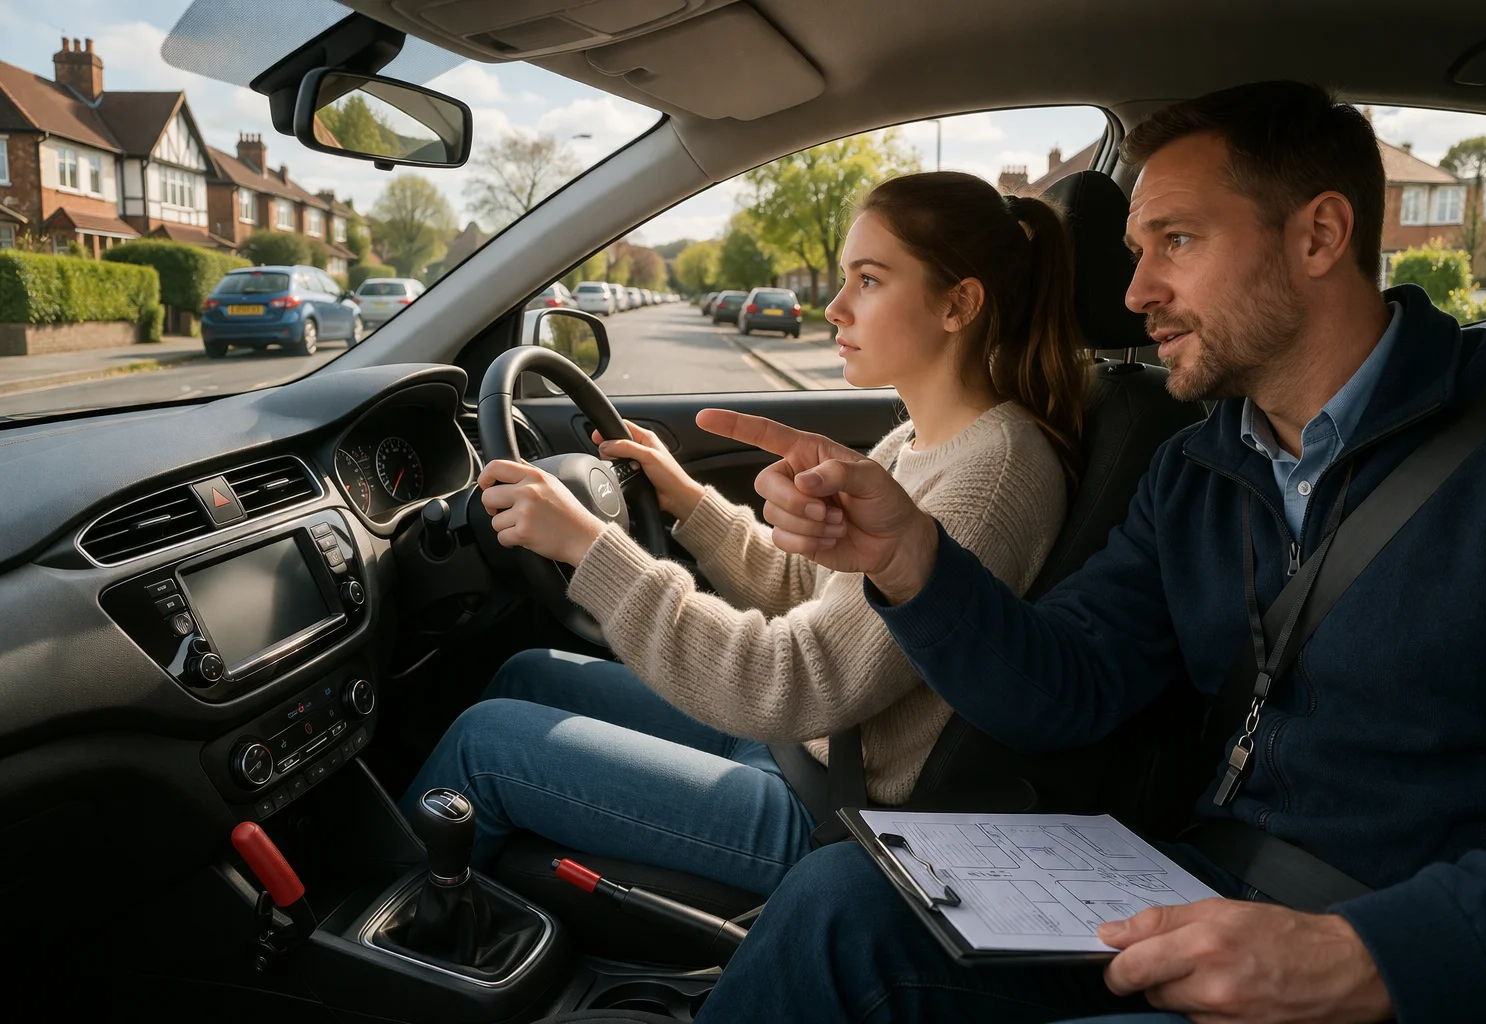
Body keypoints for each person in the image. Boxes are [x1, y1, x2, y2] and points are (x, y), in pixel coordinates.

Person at [691, 81, 1486, 1022]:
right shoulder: (1197, 469)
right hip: (1198, 883)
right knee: (838, 900)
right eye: (1136, 253)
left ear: (1318, 236)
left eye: (1177, 241)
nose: (1136, 294)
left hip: (1416, 952)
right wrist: (910, 558)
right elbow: (1070, 686)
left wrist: (1369, 957)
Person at [402, 171, 1091, 895]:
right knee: (528, 674)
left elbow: (791, 675)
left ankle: (369, 949)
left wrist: (589, 547)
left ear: (960, 303)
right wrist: (687, 501)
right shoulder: (916, 443)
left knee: (485, 745)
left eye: (869, 280)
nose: (834, 306)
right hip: (802, 748)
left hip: (830, 811)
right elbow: (813, 592)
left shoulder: (994, 473)